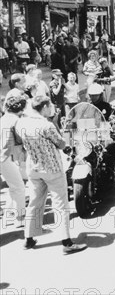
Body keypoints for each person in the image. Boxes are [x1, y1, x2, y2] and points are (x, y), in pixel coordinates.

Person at [15, 95, 87, 254]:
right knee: (60, 205)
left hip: (33, 168)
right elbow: (61, 143)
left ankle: (28, 239)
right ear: (45, 107)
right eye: (50, 105)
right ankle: (67, 243)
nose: (52, 107)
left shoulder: (21, 122)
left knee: (34, 203)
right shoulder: (46, 125)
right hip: (52, 168)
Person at [0, 95, 28, 228]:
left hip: (4, 156)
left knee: (13, 185)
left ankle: (8, 215)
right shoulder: (16, 120)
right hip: (5, 157)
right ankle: (20, 218)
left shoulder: (4, 118)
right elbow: (22, 139)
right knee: (19, 187)